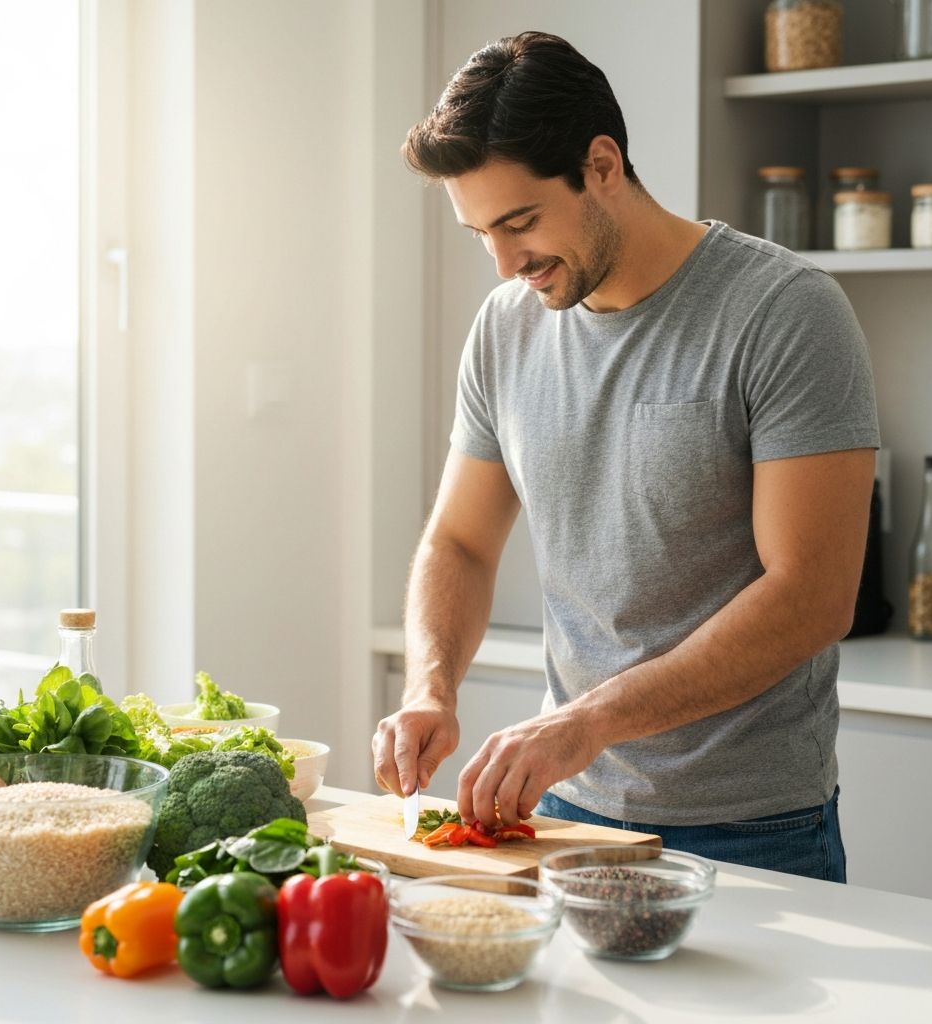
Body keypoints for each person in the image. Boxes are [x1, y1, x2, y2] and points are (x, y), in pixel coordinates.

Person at [370, 31, 879, 881]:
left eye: (520, 221)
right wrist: (431, 686)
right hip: (566, 816)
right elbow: (459, 540)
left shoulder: (785, 312)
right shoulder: (506, 328)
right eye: (479, 234)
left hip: (753, 831)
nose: (504, 263)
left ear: (602, 164)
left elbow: (813, 597)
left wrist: (586, 721)